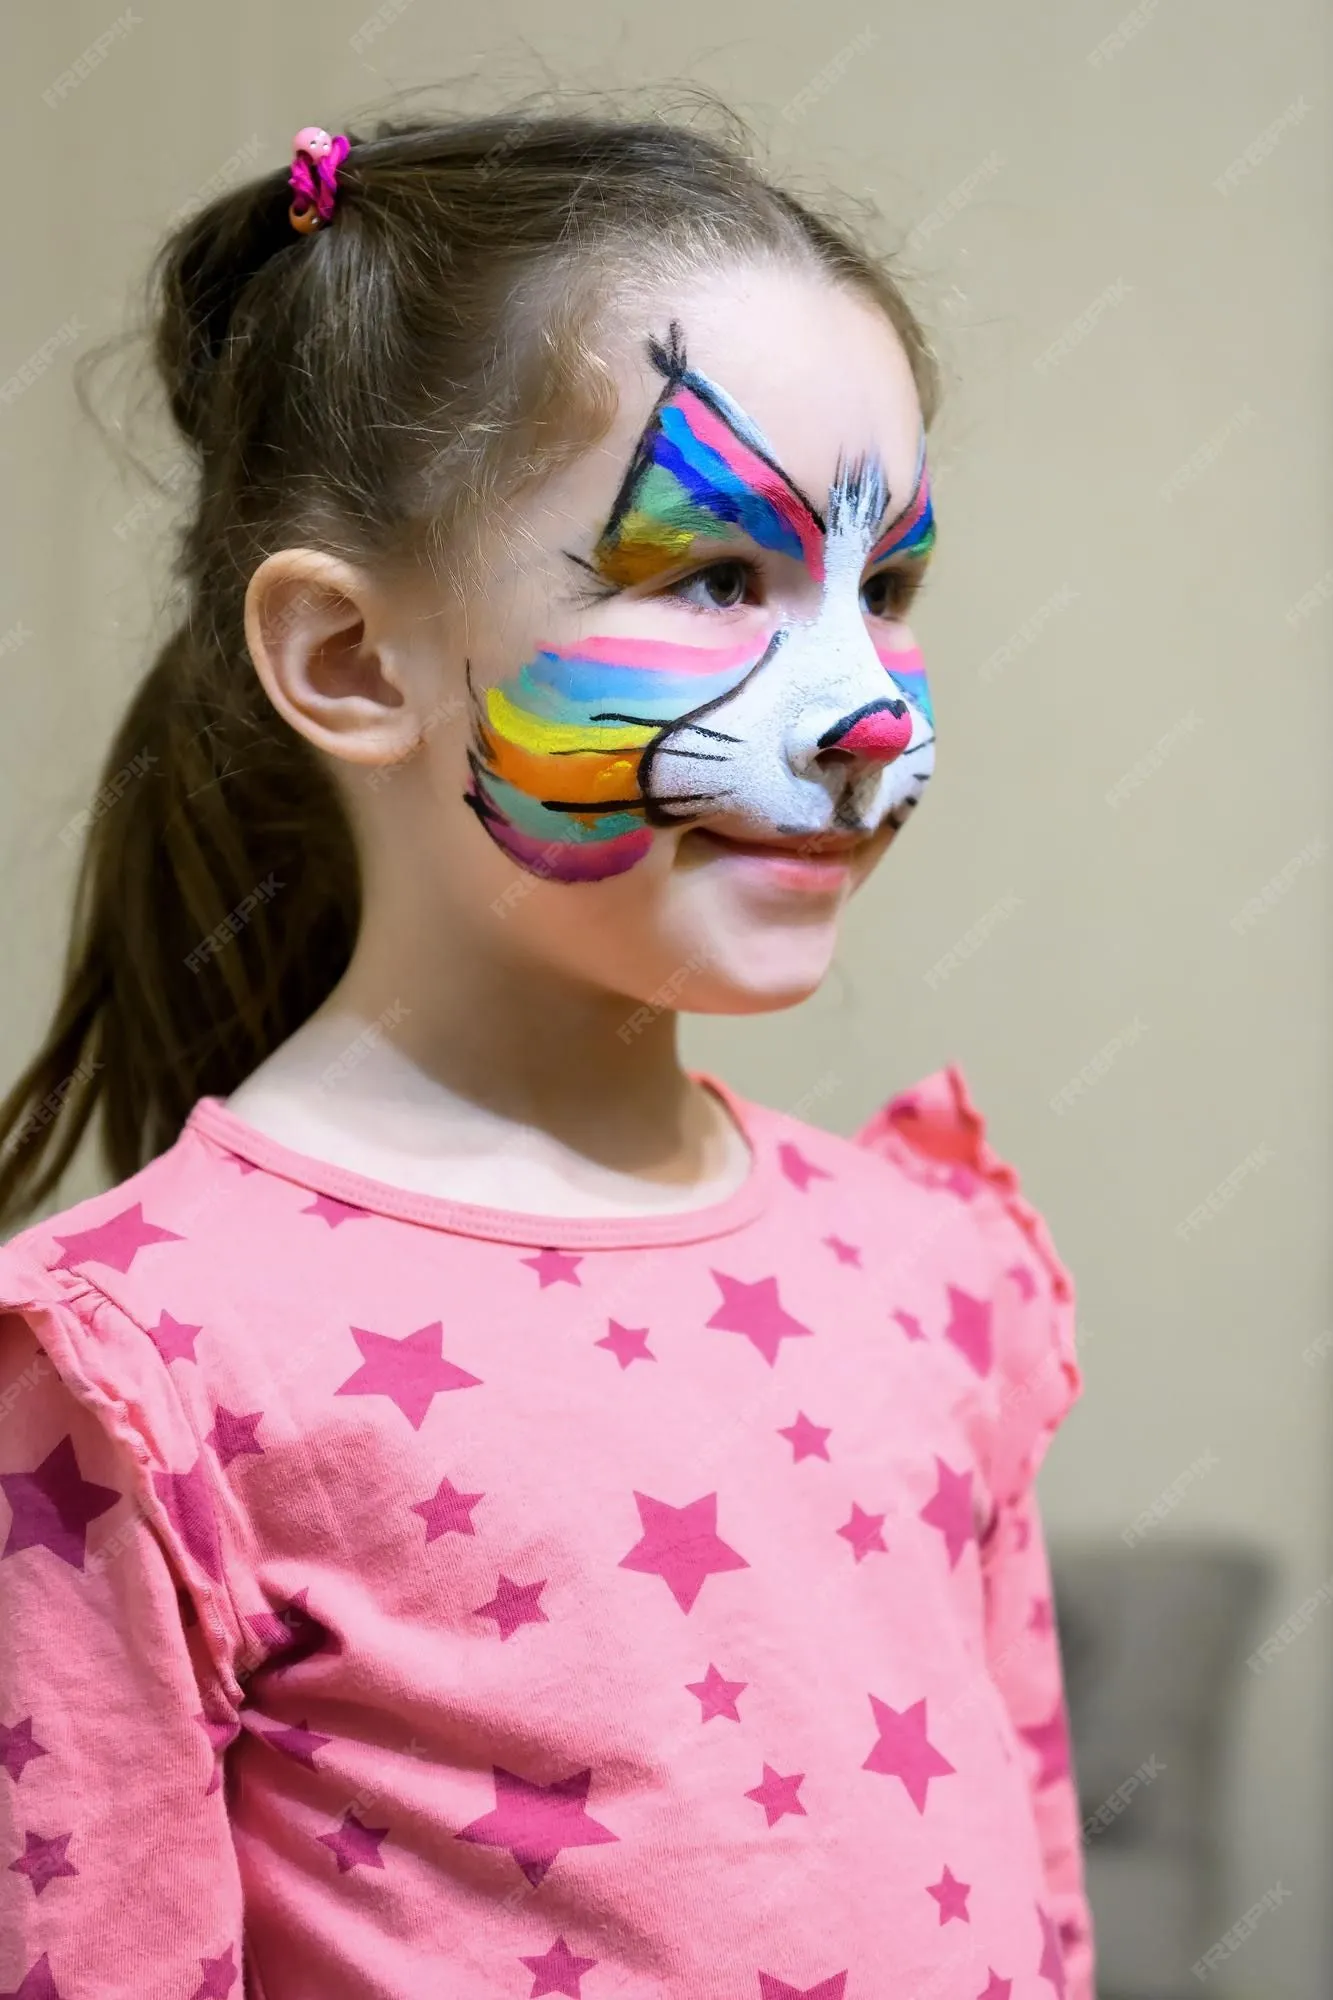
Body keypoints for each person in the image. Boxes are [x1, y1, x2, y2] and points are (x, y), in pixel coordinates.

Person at [0, 106, 1093, 2000]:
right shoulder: (142, 1367)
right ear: (351, 659)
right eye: (716, 580)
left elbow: (1048, 1910)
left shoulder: (935, 1277)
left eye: (885, 590)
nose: (860, 714)